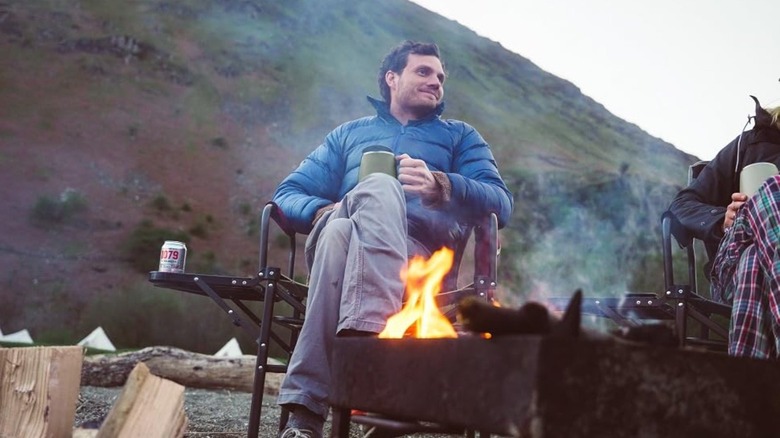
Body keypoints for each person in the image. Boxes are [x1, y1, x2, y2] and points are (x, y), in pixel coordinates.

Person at [270, 40, 513, 437]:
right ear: (391, 78)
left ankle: (304, 417)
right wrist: (321, 210)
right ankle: (374, 347)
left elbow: (501, 203)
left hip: (413, 258)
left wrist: (442, 185)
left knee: (339, 235)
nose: (436, 82)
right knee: (359, 203)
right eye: (424, 72)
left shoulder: (460, 137)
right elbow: (286, 195)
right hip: (344, 244)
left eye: (440, 77)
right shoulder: (348, 135)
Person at [668, 95, 780, 359]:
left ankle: (749, 390)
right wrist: (722, 219)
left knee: (753, 262)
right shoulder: (750, 144)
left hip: (751, 272)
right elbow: (681, 205)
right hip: (730, 268)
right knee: (774, 189)